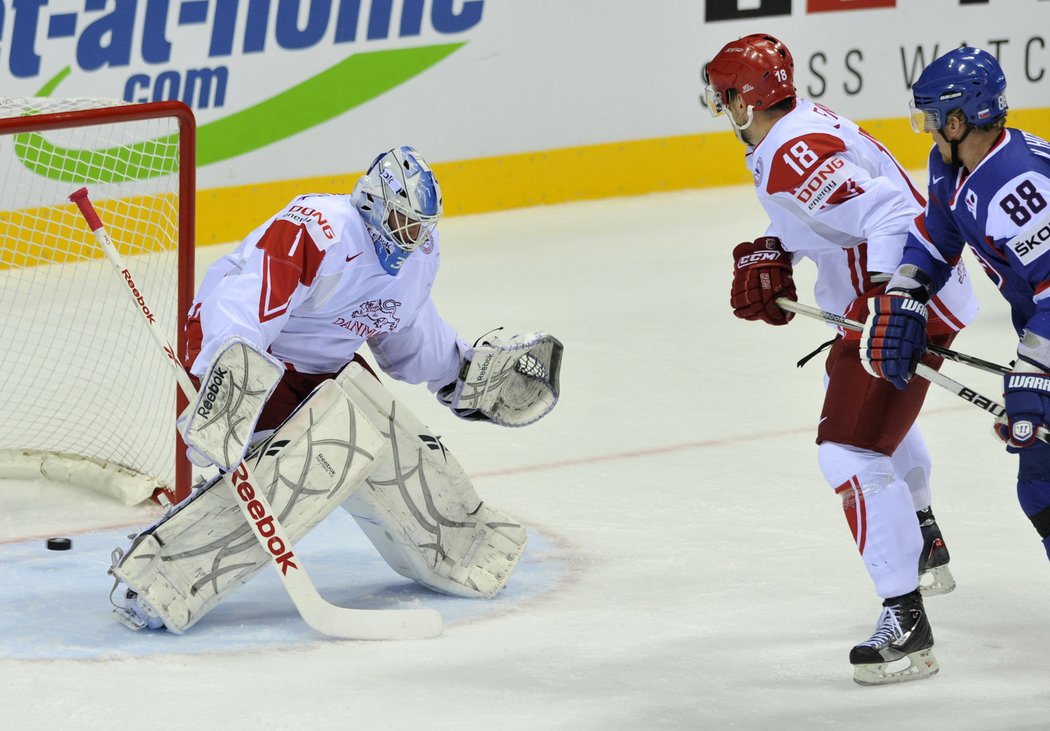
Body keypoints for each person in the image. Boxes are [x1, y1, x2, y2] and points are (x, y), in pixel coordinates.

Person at [106, 146, 563, 634]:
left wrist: (458, 373)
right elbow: (249, 293)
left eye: (420, 226)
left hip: (323, 368)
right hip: (242, 347)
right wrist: (233, 377)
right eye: (402, 221)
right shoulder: (320, 227)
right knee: (313, 460)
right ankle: (160, 578)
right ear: (372, 202)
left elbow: (404, 328)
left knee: (382, 432)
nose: (411, 237)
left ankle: (459, 548)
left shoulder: (418, 256)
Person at [701, 34, 978, 685]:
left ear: (745, 99)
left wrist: (890, 300)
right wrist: (776, 246)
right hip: (916, 291)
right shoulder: (796, 131)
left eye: (725, 97)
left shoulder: (791, 153)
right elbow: (837, 212)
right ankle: (925, 539)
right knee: (874, 428)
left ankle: (906, 625)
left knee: (848, 449)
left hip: (908, 297)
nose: (721, 108)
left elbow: (885, 210)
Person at [863, 48, 1050, 562]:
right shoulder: (952, 165)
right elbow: (935, 237)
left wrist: (1035, 369)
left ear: (959, 117)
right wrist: (904, 297)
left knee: (1044, 483)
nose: (924, 129)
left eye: (930, 117)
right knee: (1040, 487)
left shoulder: (1017, 184)